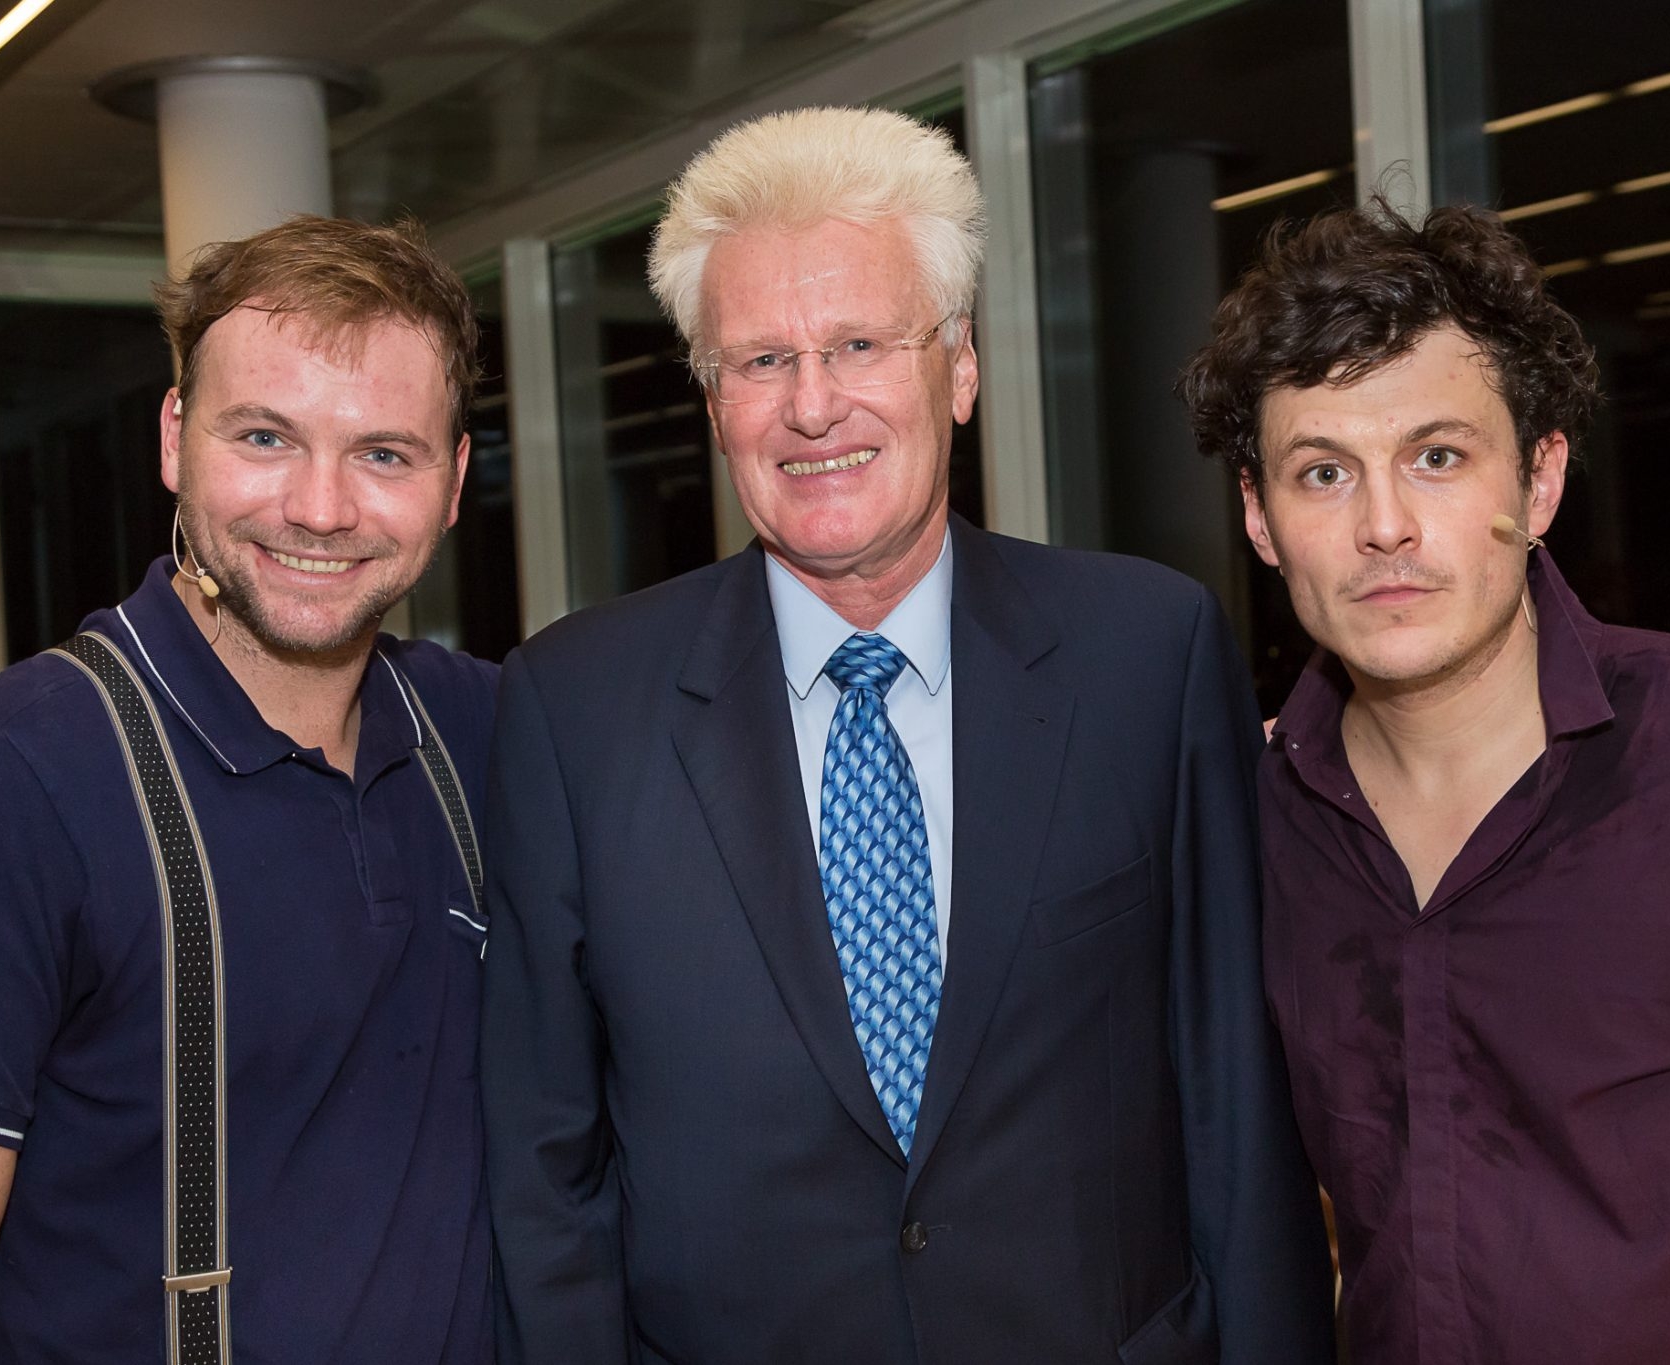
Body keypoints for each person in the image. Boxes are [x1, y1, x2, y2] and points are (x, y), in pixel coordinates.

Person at [481, 105, 1333, 1365]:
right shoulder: (572, 708)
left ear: (961, 366)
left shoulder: (1145, 655)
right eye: (758, 361)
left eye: (860, 343)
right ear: (714, 404)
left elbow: (1230, 1098)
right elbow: (545, 1163)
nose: (811, 407)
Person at [0, 215, 497, 1364]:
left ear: (455, 480)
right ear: (176, 439)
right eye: (265, 436)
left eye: (383, 452)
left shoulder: (484, 735)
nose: (320, 508)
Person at [1180, 200, 1670, 1363]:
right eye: (1322, 472)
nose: (1383, 526)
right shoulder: (1257, 819)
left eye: (1435, 457)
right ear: (1258, 517)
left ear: (1537, 482)